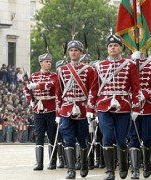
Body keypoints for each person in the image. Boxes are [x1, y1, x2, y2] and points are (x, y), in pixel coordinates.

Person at [87, 35, 141, 180]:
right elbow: (94, 89)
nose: (113, 48)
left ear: (121, 48)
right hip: (104, 106)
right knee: (107, 136)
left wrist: (136, 107)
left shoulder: (129, 65)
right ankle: (110, 171)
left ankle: (123, 165)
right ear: (107, 48)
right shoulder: (99, 66)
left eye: (116, 45)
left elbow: (136, 88)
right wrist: (90, 109)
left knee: (122, 139)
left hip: (123, 105)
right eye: (110, 46)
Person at [56, 40, 94, 179]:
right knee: (68, 139)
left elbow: (92, 90)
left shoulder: (89, 70)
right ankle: (70, 170)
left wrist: (91, 109)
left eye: (76, 50)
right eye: (71, 50)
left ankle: (84, 163)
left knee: (82, 139)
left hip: (82, 109)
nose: (73, 52)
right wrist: (58, 112)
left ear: (81, 53)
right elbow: (58, 93)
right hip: (66, 109)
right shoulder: (62, 70)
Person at [127, 51, 151, 178]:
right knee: (133, 138)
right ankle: (135, 169)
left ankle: (147, 164)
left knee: (148, 137)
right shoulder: (126, 63)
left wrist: (147, 93)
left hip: (148, 107)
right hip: (131, 106)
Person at [24, 52, 58, 171]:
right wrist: (30, 100)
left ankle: (52, 162)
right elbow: (26, 89)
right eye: (46, 61)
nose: (49, 63)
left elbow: (52, 85)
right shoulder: (34, 75)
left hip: (51, 108)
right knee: (38, 135)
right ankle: (39, 163)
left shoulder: (54, 75)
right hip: (38, 108)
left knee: (52, 135)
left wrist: (37, 85)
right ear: (40, 63)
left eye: (50, 62)